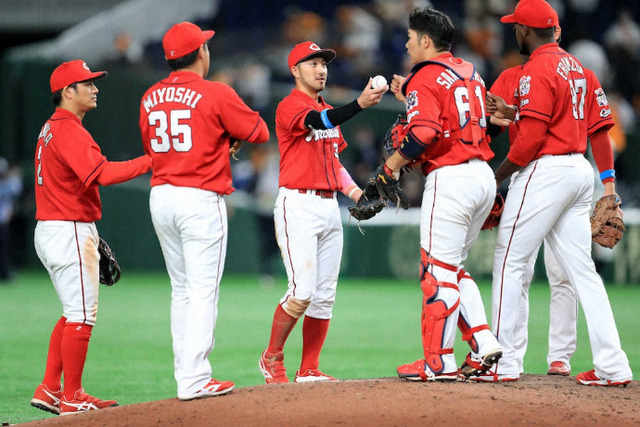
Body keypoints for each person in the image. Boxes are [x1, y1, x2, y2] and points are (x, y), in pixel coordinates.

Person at [475, 0, 632, 386]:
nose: (514, 31)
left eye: (517, 27)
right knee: (583, 272)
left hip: (545, 171)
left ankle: (501, 362)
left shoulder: (534, 71)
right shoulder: (580, 69)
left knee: (510, 261)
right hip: (580, 173)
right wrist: (608, 186)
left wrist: (495, 179)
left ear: (526, 31)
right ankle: (614, 366)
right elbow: (596, 127)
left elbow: (530, 141)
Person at [139, 22, 269, 400]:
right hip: (198, 198)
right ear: (200, 54)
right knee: (201, 291)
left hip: (162, 196)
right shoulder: (215, 92)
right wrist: (227, 132)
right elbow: (259, 132)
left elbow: (156, 145)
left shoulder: (148, 96)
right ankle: (195, 378)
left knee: (181, 290)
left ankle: (186, 375)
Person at [376, 7, 502, 382]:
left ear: (426, 41)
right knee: (453, 268)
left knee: (435, 272)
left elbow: (425, 133)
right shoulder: (469, 72)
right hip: (482, 174)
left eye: (411, 38)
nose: (406, 44)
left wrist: (391, 166)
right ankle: (482, 341)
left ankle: (438, 362)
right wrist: (410, 95)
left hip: (452, 179)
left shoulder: (423, 78)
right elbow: (478, 124)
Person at [258, 41, 386, 384]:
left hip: (329, 205)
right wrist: (359, 104)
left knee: (324, 296)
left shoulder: (328, 109)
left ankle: (308, 369)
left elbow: (334, 163)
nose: (321, 68)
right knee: (302, 292)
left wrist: (358, 194)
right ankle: (271, 358)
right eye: (311, 63)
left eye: (323, 63)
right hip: (297, 204)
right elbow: (318, 120)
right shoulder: (290, 106)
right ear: (295, 70)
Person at [30, 59, 152, 415]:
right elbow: (100, 173)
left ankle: (51, 389)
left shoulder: (53, 127)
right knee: (82, 317)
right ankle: (73, 396)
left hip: (56, 227)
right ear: (68, 92)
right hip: (67, 229)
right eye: (88, 83)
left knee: (71, 314)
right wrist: (152, 161)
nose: (95, 88)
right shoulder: (67, 129)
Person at [488, 20, 580, 377]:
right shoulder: (511, 77)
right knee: (521, 269)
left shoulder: (566, 75)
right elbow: (487, 124)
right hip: (527, 172)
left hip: (553, 169)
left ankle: (559, 356)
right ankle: (511, 356)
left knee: (561, 271)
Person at [0, 157, 22, 283]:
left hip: (3, 222)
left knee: (4, 249)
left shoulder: (8, 184)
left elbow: (16, 189)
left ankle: (5, 274)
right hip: (3, 221)